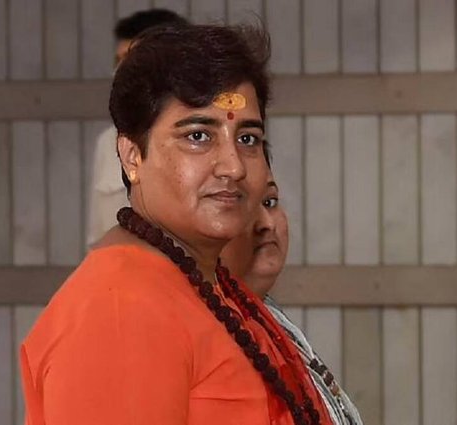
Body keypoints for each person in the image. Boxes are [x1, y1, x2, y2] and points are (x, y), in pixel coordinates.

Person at [21, 24, 332, 425]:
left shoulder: (212, 287)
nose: (234, 166)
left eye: (248, 139)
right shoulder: (120, 311)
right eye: (198, 136)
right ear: (132, 156)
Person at [222, 171, 364, 425]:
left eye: (269, 202)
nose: (266, 223)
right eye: (240, 205)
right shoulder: (207, 331)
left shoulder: (273, 321)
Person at [87, 8, 189, 248]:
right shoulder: (108, 141)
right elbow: (96, 238)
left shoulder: (205, 138)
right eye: (118, 61)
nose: (121, 71)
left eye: (131, 59)